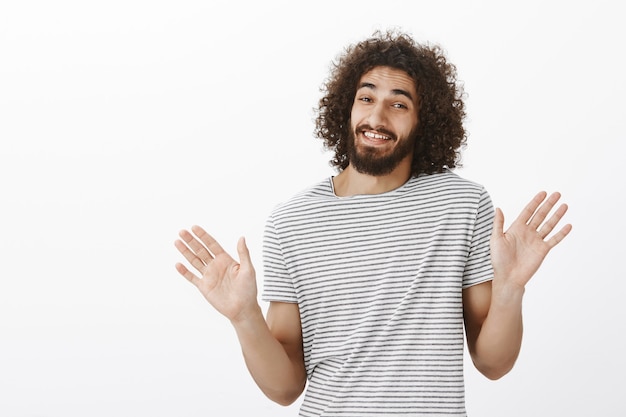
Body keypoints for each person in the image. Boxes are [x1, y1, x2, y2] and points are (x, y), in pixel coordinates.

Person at [174, 29, 572, 417]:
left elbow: (493, 363)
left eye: (399, 104)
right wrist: (244, 316)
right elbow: (285, 389)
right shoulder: (290, 223)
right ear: (347, 108)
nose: (377, 116)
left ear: (423, 121)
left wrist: (510, 290)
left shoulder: (461, 205)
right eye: (366, 98)